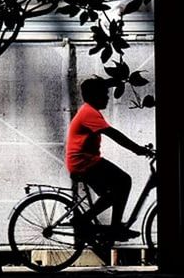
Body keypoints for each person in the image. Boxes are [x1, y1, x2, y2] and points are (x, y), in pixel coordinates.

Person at [66, 78, 154, 240]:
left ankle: (93, 223)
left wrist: (138, 149)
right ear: (94, 96)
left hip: (84, 161)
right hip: (83, 162)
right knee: (124, 181)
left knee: (113, 193)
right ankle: (109, 226)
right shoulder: (89, 113)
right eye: (104, 94)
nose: (107, 97)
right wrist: (137, 149)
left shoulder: (89, 111)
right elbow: (114, 134)